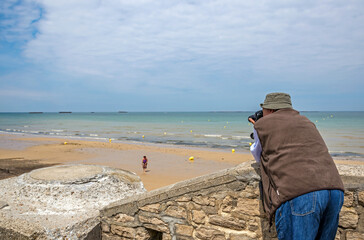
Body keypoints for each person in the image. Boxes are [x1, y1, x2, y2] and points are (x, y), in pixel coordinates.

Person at [249, 92, 344, 240]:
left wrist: (257, 128)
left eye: (264, 110)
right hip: (334, 190)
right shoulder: (306, 121)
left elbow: (257, 154)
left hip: (301, 193)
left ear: (271, 110)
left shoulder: (263, 125)